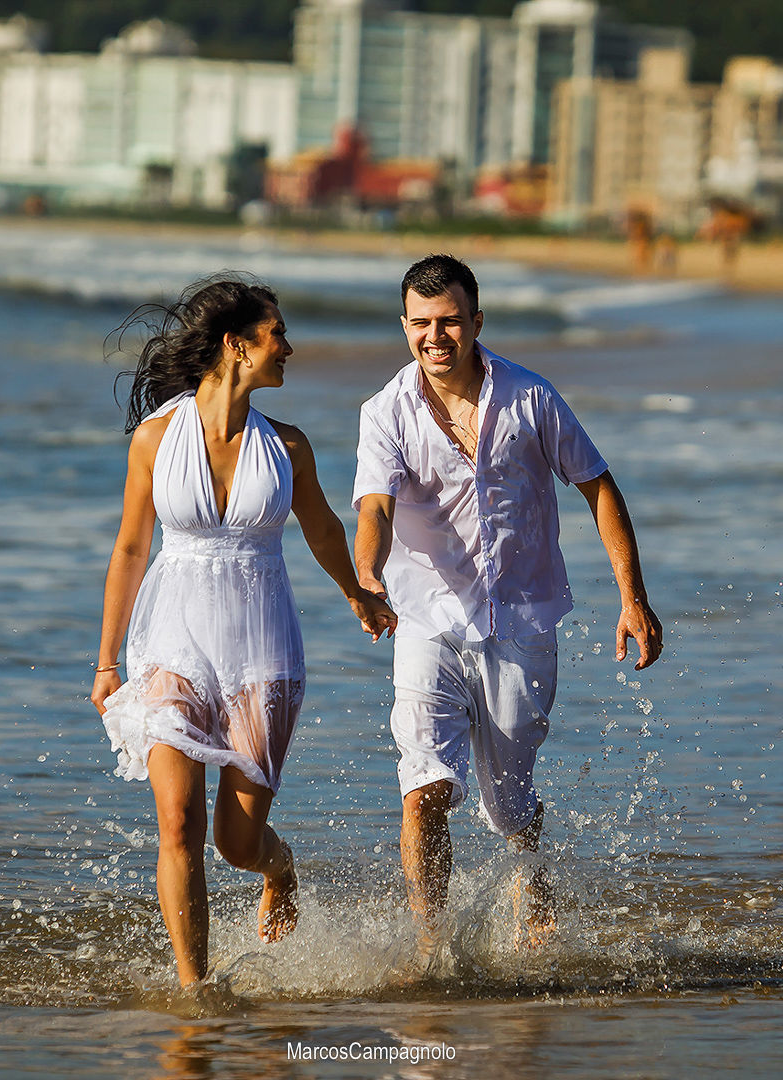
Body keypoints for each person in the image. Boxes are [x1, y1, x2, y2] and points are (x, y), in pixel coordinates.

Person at [89, 277, 397, 988]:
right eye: (276, 333)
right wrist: (106, 662)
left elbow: (322, 529)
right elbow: (131, 547)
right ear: (236, 345)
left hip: (262, 651)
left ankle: (279, 868)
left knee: (236, 843)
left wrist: (357, 593)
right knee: (178, 825)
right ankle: (194, 991)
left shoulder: (286, 445)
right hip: (172, 643)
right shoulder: (156, 438)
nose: (288, 347)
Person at [353, 254, 662, 954]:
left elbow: (598, 487)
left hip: (521, 625)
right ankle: (433, 950)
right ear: (404, 326)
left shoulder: (531, 397)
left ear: (476, 322)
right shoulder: (385, 412)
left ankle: (535, 897)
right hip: (427, 622)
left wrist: (632, 598)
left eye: (449, 321)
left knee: (509, 805)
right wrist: (366, 573)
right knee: (424, 788)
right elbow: (374, 508)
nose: (435, 337)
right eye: (421, 323)